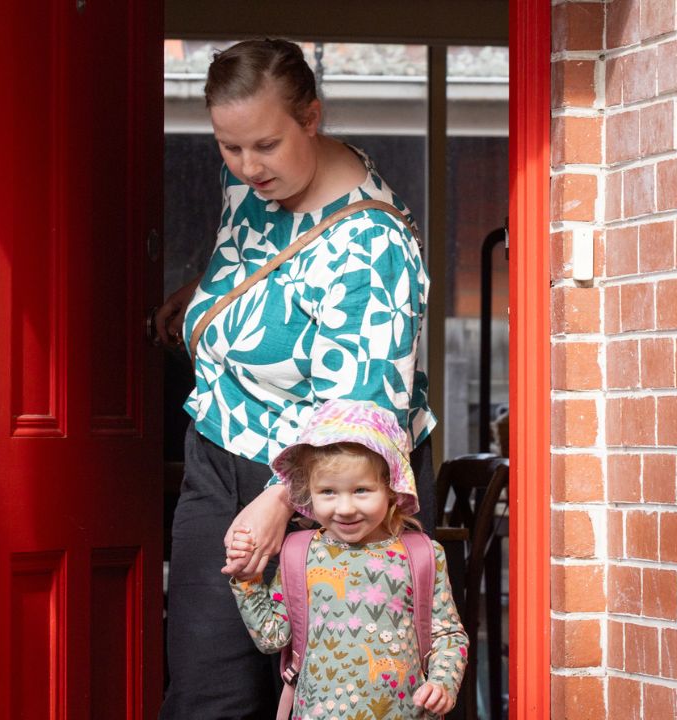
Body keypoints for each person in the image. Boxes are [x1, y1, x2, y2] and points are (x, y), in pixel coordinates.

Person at [154, 39, 438, 719]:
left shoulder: (374, 247)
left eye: (265, 145)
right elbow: (257, 269)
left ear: (312, 117)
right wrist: (202, 303)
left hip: (322, 487)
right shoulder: (251, 186)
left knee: (325, 697)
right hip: (217, 458)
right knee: (204, 696)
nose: (248, 167)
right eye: (230, 147)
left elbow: (363, 416)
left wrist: (282, 500)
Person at [225, 399, 467, 719]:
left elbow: (447, 636)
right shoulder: (299, 554)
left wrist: (442, 683)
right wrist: (246, 579)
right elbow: (271, 637)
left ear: (391, 488)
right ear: (308, 491)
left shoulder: (422, 555)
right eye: (328, 492)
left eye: (361, 490)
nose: (345, 508)